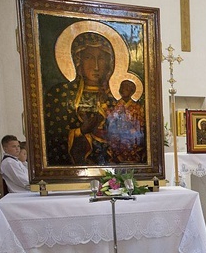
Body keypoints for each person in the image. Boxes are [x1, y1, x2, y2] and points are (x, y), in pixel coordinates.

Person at [44, 32, 117, 166]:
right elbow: (53, 136)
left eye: (101, 58)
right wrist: (80, 131)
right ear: (78, 61)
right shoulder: (60, 93)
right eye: (88, 57)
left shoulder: (115, 98)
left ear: (109, 63)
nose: (95, 66)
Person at [107, 79, 146, 163]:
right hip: (117, 137)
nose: (123, 91)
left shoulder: (137, 107)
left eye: (126, 89)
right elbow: (110, 121)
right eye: (122, 88)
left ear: (131, 92)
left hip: (131, 138)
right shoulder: (115, 106)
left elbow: (140, 125)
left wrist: (133, 129)